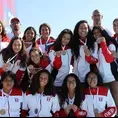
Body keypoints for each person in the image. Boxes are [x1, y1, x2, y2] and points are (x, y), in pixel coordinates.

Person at [49, 29, 73, 94]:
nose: (65, 40)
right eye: (64, 37)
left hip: (65, 82)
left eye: (68, 39)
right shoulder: (53, 48)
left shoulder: (69, 48)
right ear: (60, 37)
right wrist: (58, 57)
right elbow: (56, 66)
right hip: (55, 82)